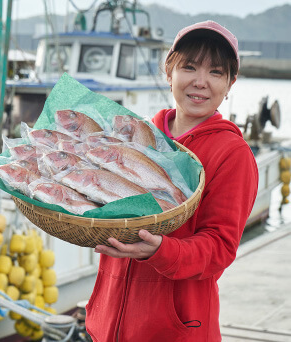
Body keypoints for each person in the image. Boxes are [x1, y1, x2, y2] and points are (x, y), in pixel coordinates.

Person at [85, 21, 258, 342]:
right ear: (169, 72)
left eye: (216, 72)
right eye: (189, 67)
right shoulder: (135, 137)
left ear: (231, 83)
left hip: (176, 331)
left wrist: (160, 250)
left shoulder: (232, 153)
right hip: (108, 324)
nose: (200, 82)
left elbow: (220, 248)